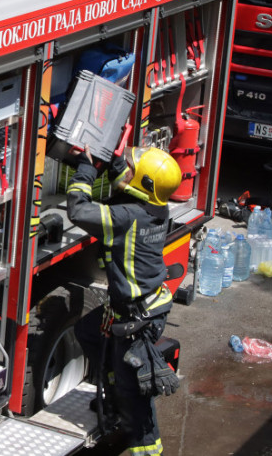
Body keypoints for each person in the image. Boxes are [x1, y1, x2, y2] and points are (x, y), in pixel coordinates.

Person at [67, 145, 181, 456]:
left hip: (136, 319)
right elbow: (132, 183)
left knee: (136, 396)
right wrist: (113, 158)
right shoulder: (156, 209)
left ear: (142, 184)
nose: (126, 171)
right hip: (139, 309)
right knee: (88, 332)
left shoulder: (126, 217)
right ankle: (114, 397)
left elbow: (78, 210)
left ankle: (146, 449)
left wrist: (86, 170)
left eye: (131, 169)